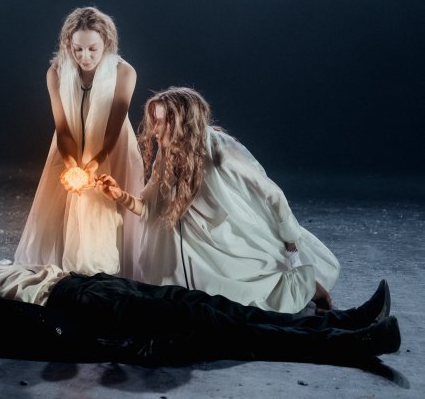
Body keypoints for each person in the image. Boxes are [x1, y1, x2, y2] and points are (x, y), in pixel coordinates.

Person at [0, 266, 397, 378]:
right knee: (215, 326)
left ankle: (343, 321)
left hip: (88, 284)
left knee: (211, 306)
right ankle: (347, 344)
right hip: (80, 305)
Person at [96, 87, 341, 313]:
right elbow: (150, 210)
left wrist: (289, 235)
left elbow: (271, 193)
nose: (155, 130)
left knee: (242, 294)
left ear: (183, 122)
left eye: (162, 121)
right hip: (182, 255)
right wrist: (120, 196)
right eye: (155, 121)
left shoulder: (220, 152)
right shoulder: (166, 155)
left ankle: (307, 286)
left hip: (216, 242)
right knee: (191, 303)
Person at [15, 7, 144, 277]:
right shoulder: (55, 73)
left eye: (93, 49)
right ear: (68, 45)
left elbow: (112, 130)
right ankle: (71, 277)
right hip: (68, 148)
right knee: (64, 211)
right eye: (77, 50)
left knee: (112, 211)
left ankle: (112, 277)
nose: (85, 57)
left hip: (113, 148)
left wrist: (94, 165)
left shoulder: (125, 72)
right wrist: (72, 165)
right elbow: (62, 129)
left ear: (106, 43)